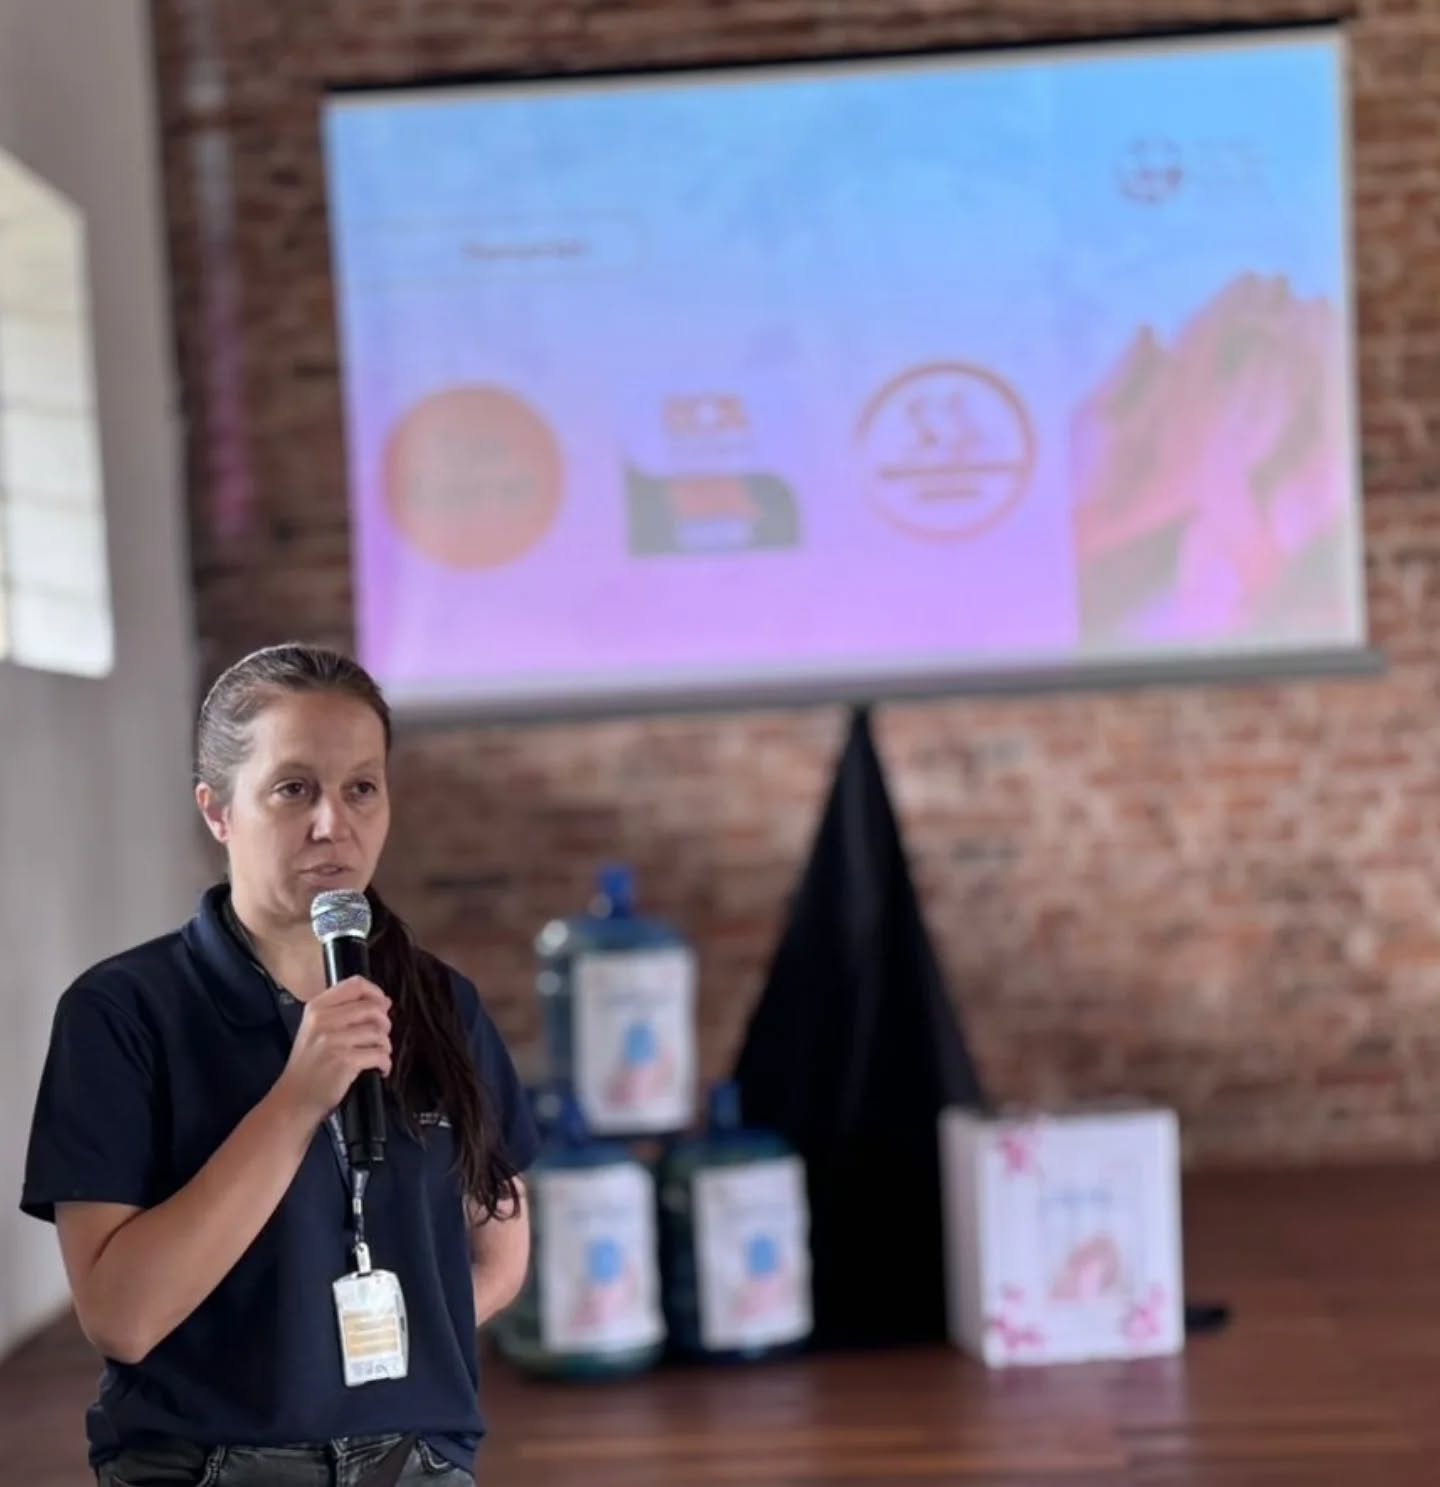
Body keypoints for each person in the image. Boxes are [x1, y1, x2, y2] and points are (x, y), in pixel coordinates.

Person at [20, 643, 540, 1487]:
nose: (333, 823)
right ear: (217, 809)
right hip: (207, 1465)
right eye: (294, 788)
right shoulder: (122, 1013)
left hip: (416, 1461)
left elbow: (499, 1252)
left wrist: (370, 1360)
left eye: (361, 787)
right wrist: (296, 1100)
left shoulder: (442, 1004)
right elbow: (121, 1316)